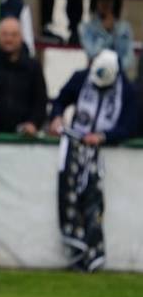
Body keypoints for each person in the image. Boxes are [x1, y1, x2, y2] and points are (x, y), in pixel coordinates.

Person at [48, 50, 138, 273]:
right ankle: (75, 242)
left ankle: (92, 252)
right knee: (69, 193)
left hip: (101, 153)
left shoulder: (129, 91)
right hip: (76, 146)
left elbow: (132, 125)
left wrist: (104, 137)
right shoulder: (81, 77)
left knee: (93, 201)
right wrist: (56, 117)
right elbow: (60, 100)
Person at [80, 0, 135, 79]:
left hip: (118, 75)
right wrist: (106, 32)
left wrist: (116, 67)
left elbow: (129, 57)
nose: (105, 3)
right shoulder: (86, 27)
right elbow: (92, 53)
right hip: (95, 75)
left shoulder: (124, 27)